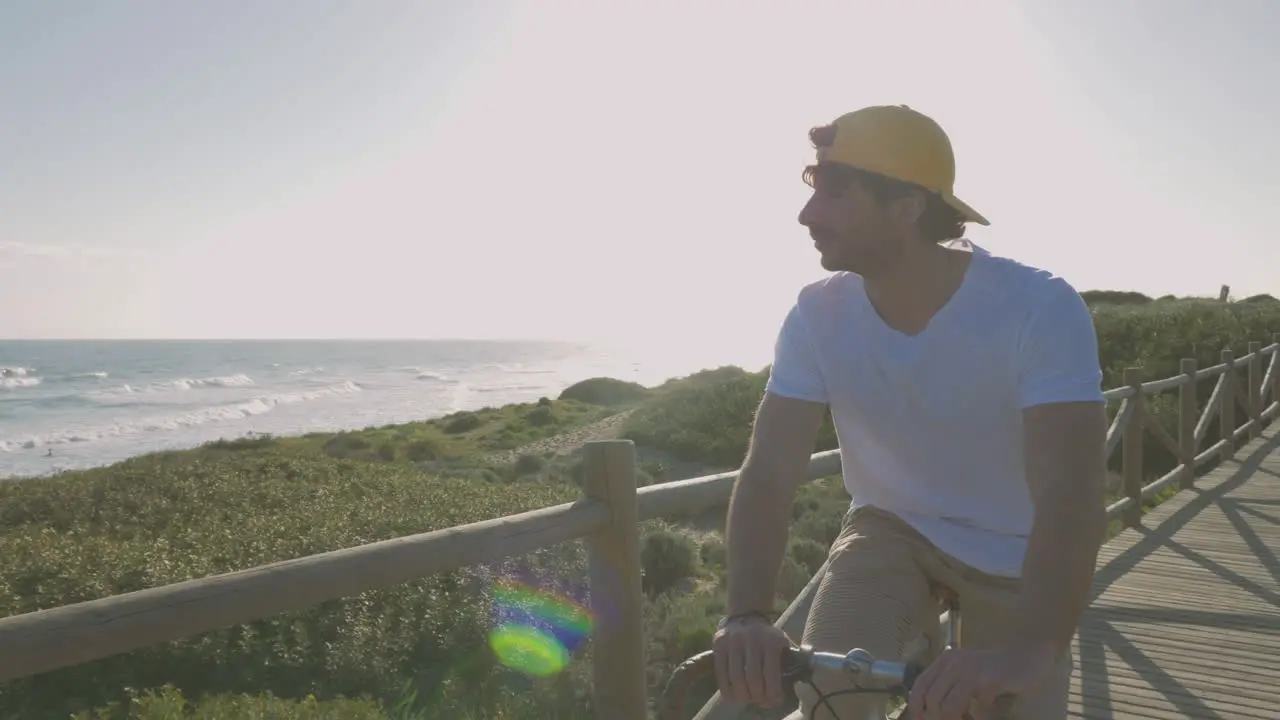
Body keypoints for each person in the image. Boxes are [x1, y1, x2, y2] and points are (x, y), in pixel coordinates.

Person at [710, 105, 1109, 720]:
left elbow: (1071, 493)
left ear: (908, 206)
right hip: (889, 529)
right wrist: (746, 615)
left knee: (1011, 698)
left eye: (836, 195)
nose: (806, 214)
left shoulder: (1037, 307)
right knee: (831, 703)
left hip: (1016, 547)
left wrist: (1031, 650)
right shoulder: (816, 314)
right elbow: (768, 471)